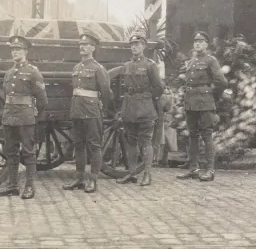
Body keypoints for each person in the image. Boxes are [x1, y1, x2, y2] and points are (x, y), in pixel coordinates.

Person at [0, 36, 47, 199]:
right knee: (11, 151)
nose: (14, 52)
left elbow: (42, 99)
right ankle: (12, 184)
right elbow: (6, 95)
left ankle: (30, 186)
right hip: (9, 116)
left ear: (25, 51)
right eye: (12, 50)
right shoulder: (9, 73)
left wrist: (34, 116)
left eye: (18, 49)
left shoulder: (33, 72)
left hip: (25, 116)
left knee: (28, 152)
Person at [62, 33, 113, 193]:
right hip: (77, 112)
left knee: (94, 146)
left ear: (93, 47)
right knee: (79, 146)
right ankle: (79, 178)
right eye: (80, 44)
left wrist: (100, 108)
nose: (82, 47)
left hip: (91, 112)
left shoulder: (98, 69)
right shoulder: (76, 68)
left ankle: (93, 180)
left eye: (86, 44)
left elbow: (106, 93)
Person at [115, 30, 166, 186]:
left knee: (145, 142)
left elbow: (159, 87)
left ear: (143, 46)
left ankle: (147, 174)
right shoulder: (128, 65)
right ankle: (131, 173)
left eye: (137, 44)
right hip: (130, 108)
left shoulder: (150, 65)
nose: (134, 47)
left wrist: (146, 98)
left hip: (145, 108)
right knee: (131, 142)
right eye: (132, 45)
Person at [176, 31, 228, 182]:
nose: (197, 44)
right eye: (195, 42)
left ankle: (210, 170)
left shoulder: (211, 61)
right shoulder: (191, 61)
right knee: (193, 136)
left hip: (205, 103)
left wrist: (213, 97)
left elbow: (222, 82)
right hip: (191, 103)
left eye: (201, 41)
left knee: (206, 135)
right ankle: (194, 169)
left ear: (206, 44)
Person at [153, 89, 176, 168]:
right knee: (162, 141)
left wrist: (168, 120)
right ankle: (162, 161)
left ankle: (161, 160)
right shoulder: (165, 94)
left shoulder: (166, 94)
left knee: (163, 142)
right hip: (162, 120)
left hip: (165, 121)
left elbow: (169, 108)